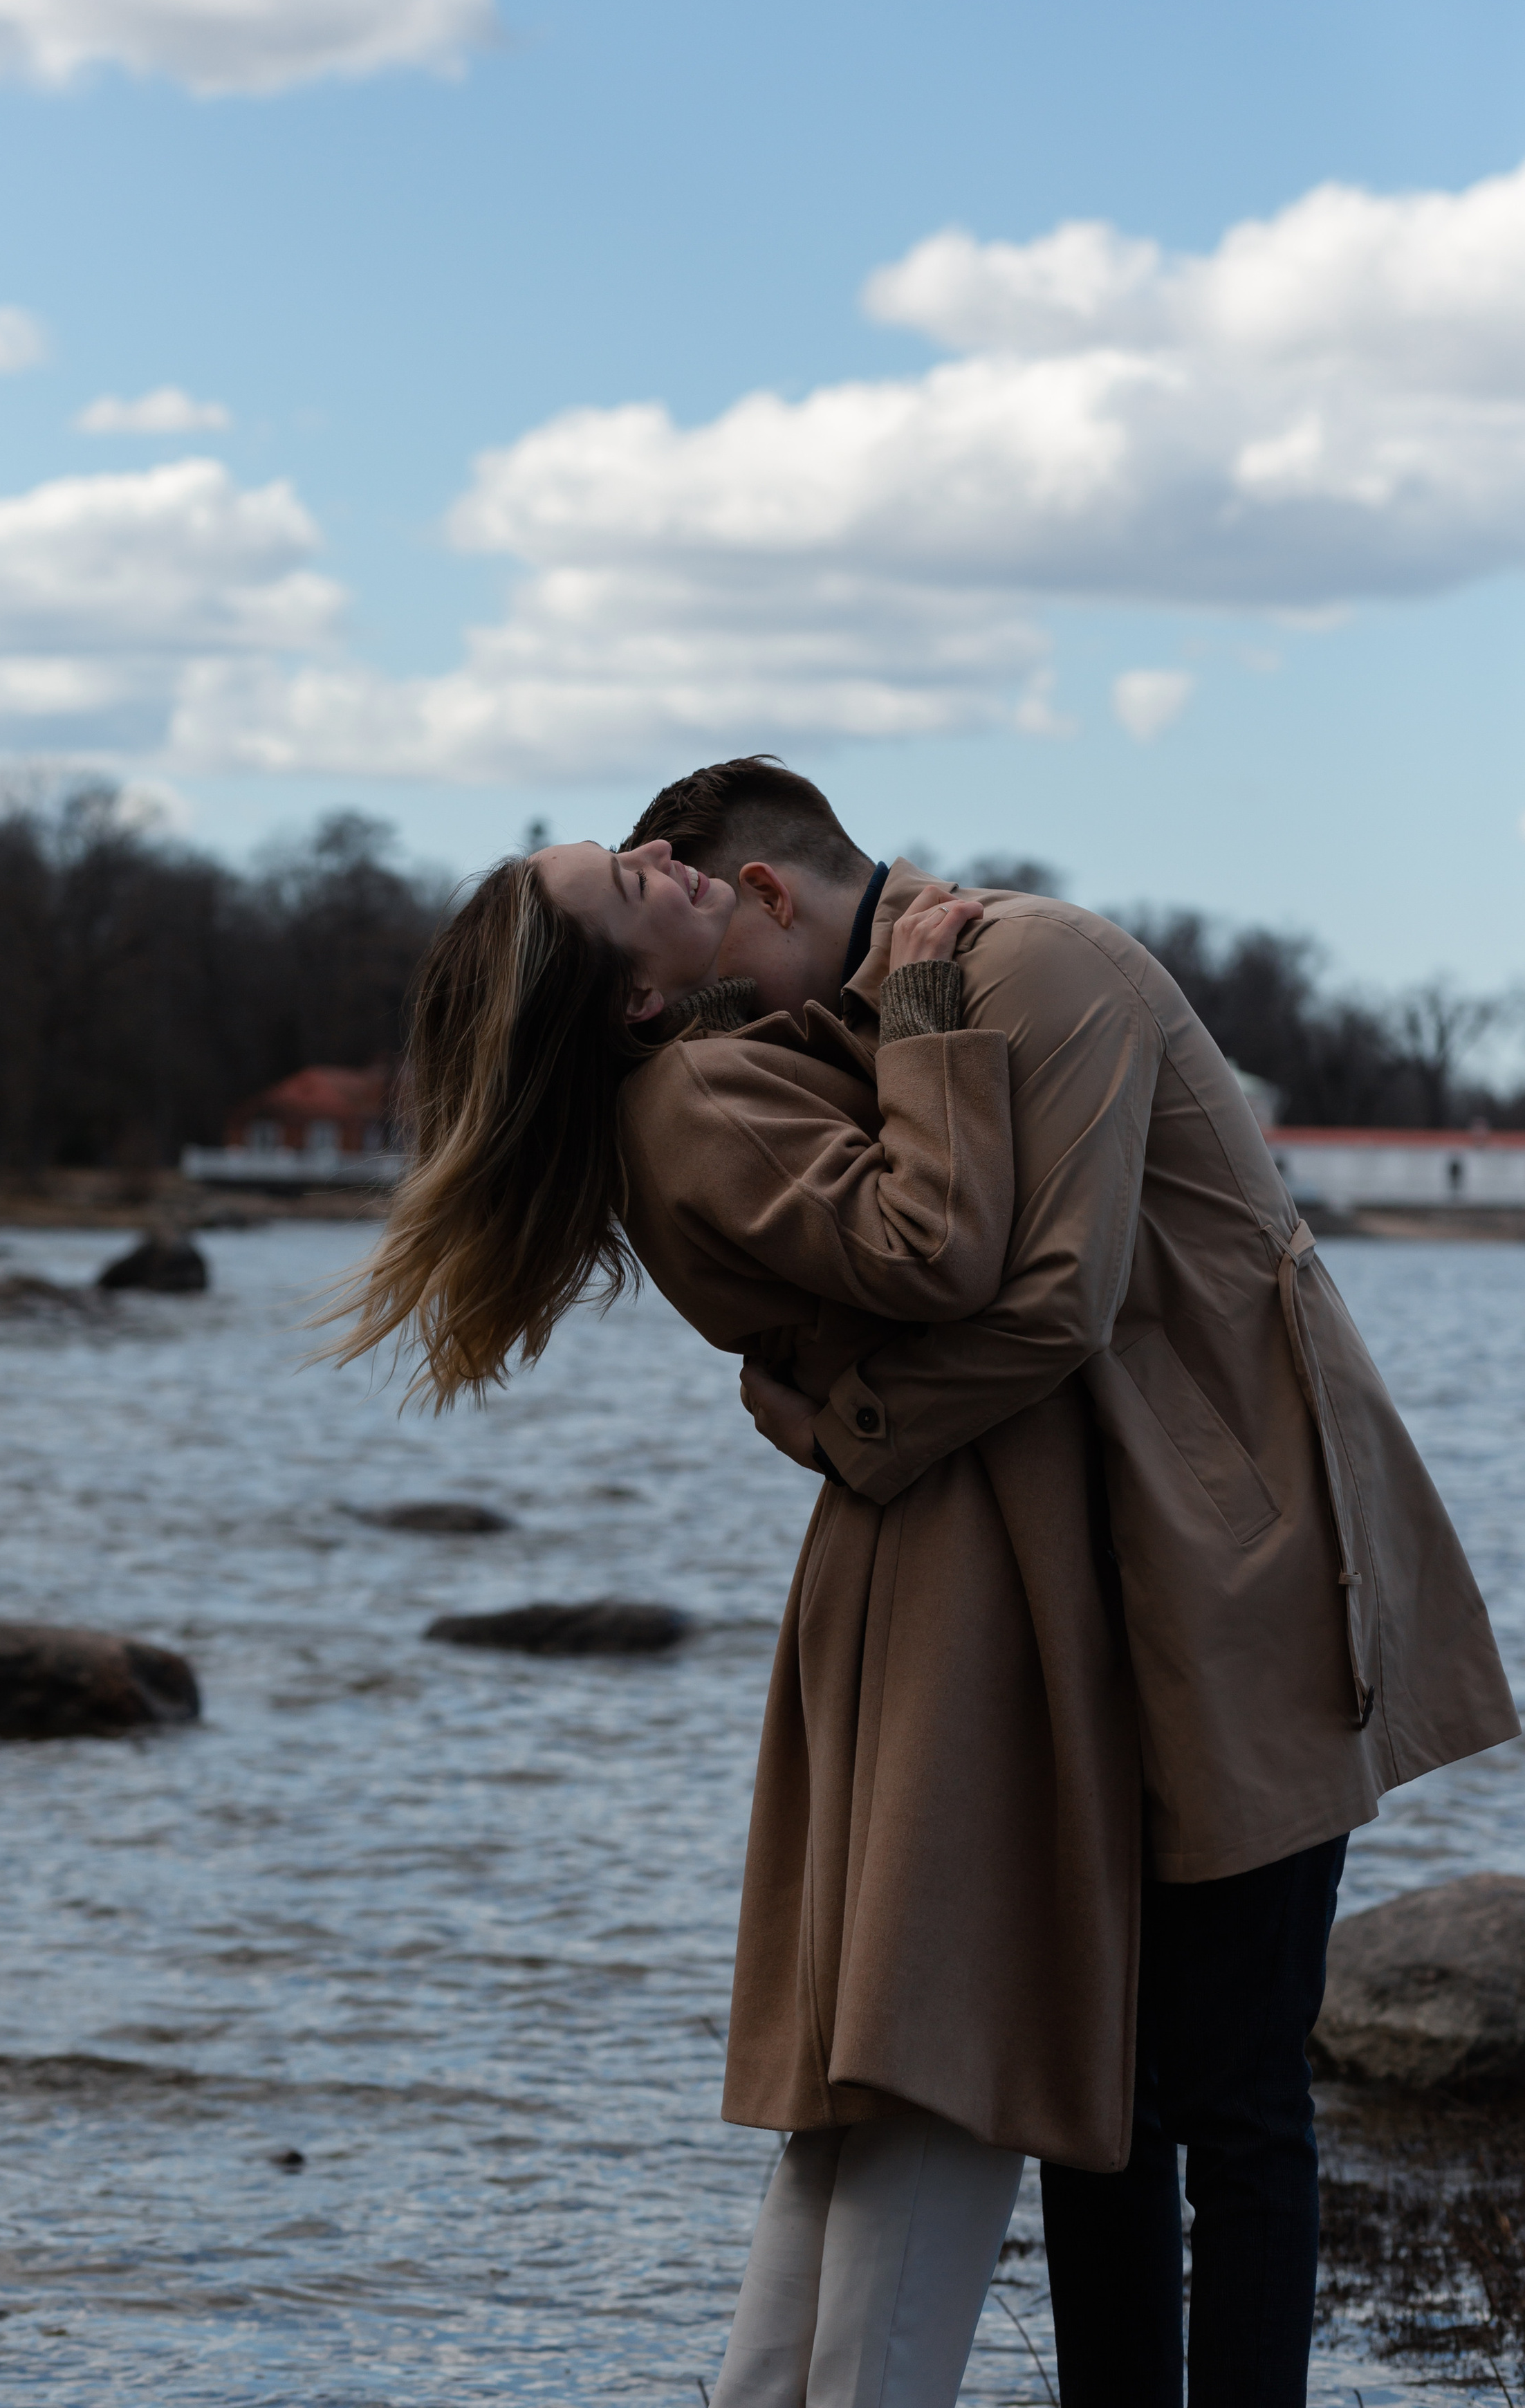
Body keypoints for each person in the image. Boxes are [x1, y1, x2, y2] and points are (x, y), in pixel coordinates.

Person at [617, 754, 1520, 2408]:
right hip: (1091, 1590)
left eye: (713, 976)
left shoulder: (1040, 966)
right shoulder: (889, 1013)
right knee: (1099, 2100)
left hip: (1245, 1573)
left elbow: (1049, 1303)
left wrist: (842, 1424)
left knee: (1233, 2092)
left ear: (759, 892)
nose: (704, 1026)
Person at [326, 827, 1062, 2407]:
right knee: (932, 2075)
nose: (666, 851)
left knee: (868, 2105)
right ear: (633, 1005)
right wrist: (931, 1011)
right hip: (948, 1595)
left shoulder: (682, 1086)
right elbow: (939, 1248)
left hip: (910, 1578)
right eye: (627, 886)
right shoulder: (694, 1100)